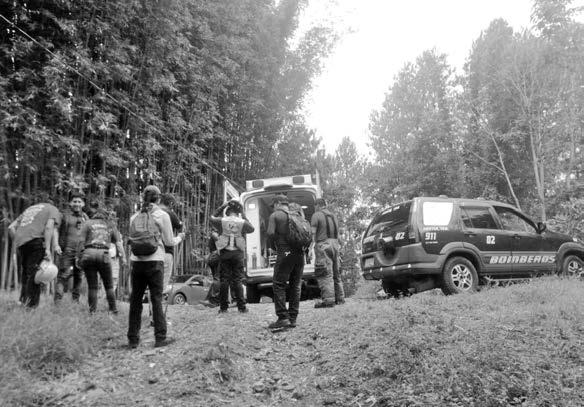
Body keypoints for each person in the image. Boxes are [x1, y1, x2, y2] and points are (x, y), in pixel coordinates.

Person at [127, 185, 185, 349]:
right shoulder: (162, 215)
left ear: (143, 198)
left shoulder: (134, 216)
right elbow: (168, 241)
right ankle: (160, 338)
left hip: (136, 261)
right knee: (156, 298)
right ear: (158, 198)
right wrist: (180, 237)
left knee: (135, 300)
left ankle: (133, 339)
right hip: (155, 261)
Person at [8, 201, 62, 308]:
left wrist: (18, 242)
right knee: (35, 275)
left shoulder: (29, 210)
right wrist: (47, 249)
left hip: (23, 243)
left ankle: (23, 301)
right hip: (36, 241)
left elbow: (11, 227)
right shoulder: (52, 209)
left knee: (26, 273)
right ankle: (31, 307)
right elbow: (49, 227)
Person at [77, 203, 125, 314]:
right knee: (109, 286)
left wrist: (78, 257)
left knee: (92, 286)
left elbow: (81, 242)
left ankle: (92, 312)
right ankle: (113, 310)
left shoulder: (87, 223)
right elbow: (118, 244)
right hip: (104, 254)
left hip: (89, 253)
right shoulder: (110, 225)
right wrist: (123, 258)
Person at [266, 195, 305, 329]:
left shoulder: (275, 215)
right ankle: (292, 318)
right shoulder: (297, 215)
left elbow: (270, 233)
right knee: (295, 285)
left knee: (278, 283)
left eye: (273, 205)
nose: (273, 208)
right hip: (300, 255)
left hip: (286, 253)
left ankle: (283, 317)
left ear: (278, 203)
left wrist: (273, 246)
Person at [209, 199, 254, 314]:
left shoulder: (222, 220)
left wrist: (222, 206)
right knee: (237, 280)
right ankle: (242, 307)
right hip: (237, 253)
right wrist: (243, 213)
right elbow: (252, 228)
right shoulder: (241, 222)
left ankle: (223, 308)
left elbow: (212, 218)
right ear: (237, 213)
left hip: (225, 252)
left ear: (227, 212)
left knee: (224, 280)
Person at [54, 192, 89, 304]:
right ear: (70, 203)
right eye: (74, 201)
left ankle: (75, 301)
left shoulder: (85, 217)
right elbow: (55, 230)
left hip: (81, 252)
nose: (77, 204)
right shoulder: (65, 215)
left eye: (79, 202)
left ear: (83, 204)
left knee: (79, 276)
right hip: (67, 250)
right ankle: (57, 302)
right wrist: (56, 245)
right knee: (63, 275)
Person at [311, 198, 344, 308]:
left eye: (315, 206)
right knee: (336, 273)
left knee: (325, 273)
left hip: (323, 245)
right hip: (335, 244)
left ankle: (328, 300)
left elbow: (313, 234)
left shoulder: (316, 215)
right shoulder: (333, 216)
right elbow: (338, 235)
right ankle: (340, 298)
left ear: (317, 205)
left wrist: (309, 248)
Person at [202, 229, 221, 307]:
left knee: (217, 279)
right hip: (215, 258)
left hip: (215, 257)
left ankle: (213, 299)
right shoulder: (216, 234)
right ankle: (214, 299)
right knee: (218, 279)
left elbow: (219, 245)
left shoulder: (215, 234)